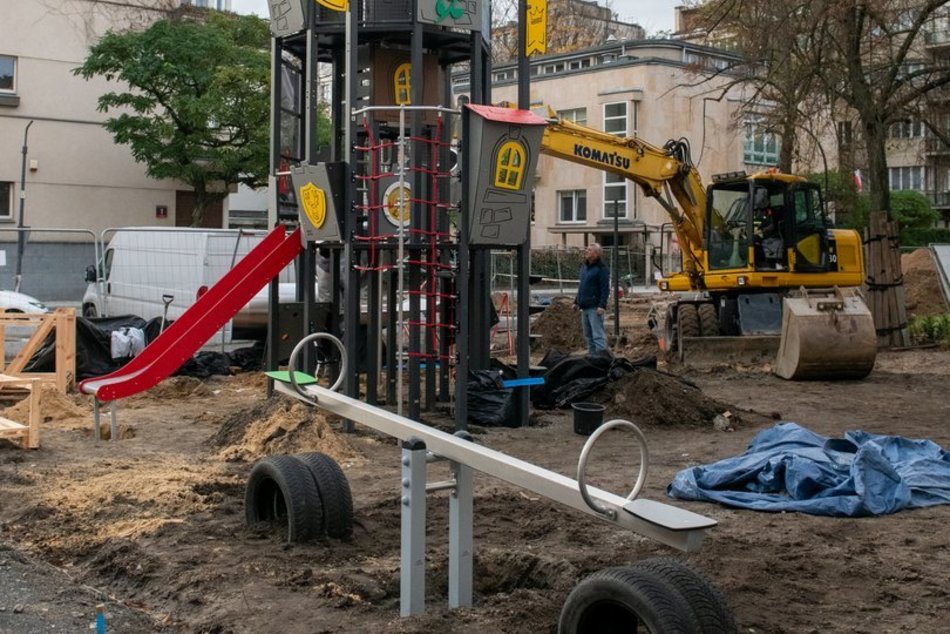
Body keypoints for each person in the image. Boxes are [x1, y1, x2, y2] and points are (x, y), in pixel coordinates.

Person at [574, 243, 610, 354]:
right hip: (584, 306)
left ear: (596, 254)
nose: (586, 251)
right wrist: (576, 301)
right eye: (587, 250)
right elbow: (582, 286)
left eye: (589, 250)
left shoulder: (601, 269)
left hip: (594, 307)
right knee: (588, 336)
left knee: (597, 336)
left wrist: (602, 305)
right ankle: (593, 358)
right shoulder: (585, 267)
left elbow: (605, 288)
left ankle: (602, 358)